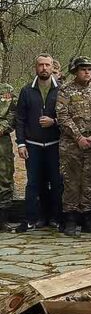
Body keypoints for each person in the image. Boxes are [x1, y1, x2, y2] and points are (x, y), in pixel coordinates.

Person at [56, 56, 91, 236]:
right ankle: (70, 220)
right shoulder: (65, 90)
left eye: (89, 69)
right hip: (71, 145)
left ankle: (88, 218)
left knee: (89, 183)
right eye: (83, 69)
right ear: (75, 71)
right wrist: (78, 137)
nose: (87, 72)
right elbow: (62, 116)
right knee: (71, 182)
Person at [16, 54, 62, 232]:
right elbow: (20, 119)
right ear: (36, 67)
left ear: (52, 67)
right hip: (32, 144)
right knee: (34, 183)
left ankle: (57, 218)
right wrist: (21, 143)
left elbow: (69, 115)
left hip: (55, 143)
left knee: (57, 183)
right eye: (41, 65)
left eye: (47, 65)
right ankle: (31, 219)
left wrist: (54, 121)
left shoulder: (61, 90)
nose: (44, 68)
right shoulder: (27, 90)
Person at [0, 78, 15, 232]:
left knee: (4, 177)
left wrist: (3, 127)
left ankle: (3, 219)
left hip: (1, 141)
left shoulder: (6, 90)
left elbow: (13, 113)